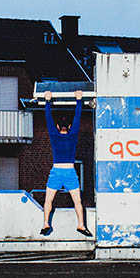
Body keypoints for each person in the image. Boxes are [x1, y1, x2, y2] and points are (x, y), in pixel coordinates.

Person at [41, 89, 92, 237]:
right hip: (70, 171)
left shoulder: (54, 135)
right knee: (77, 201)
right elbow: (77, 118)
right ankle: (81, 225)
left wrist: (47, 101)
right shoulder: (73, 135)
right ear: (69, 127)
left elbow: (48, 119)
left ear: (57, 127)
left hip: (56, 171)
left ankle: (45, 224)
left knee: (48, 200)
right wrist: (78, 100)